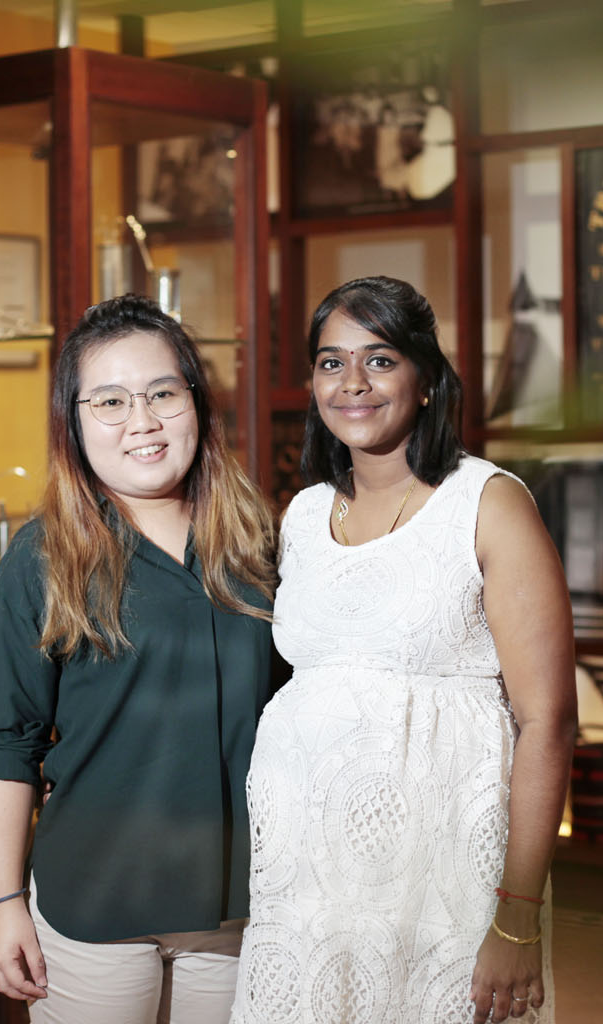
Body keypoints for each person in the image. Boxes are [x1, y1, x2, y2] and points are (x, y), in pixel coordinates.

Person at [230, 276, 578, 1024]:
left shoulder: (488, 503)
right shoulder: (305, 513)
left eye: (380, 360)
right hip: (310, 888)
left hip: (444, 883)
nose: (352, 382)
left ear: (425, 380)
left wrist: (517, 914)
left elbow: (548, 720)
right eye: (331, 362)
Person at [0, 294, 280, 1023]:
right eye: (108, 401)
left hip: (238, 908)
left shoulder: (260, 546)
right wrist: (3, 902)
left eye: (162, 393)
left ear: (197, 403)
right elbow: (6, 746)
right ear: (73, 424)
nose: (141, 421)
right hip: (94, 907)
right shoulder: (43, 558)